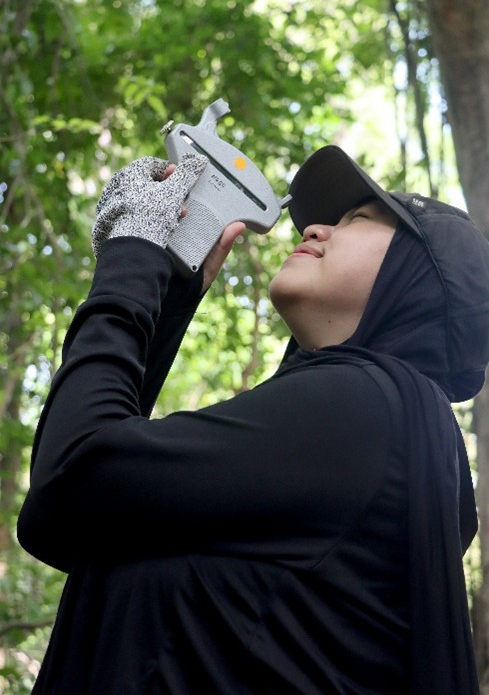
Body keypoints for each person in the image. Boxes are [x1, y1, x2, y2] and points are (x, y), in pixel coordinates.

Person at [17, 144, 489, 694]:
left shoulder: (369, 411)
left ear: (418, 279)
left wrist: (133, 252)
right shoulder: (380, 433)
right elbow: (73, 521)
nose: (315, 229)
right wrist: (168, 297)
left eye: (356, 220)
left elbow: (71, 478)